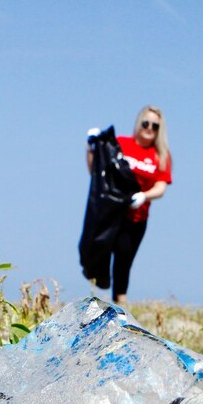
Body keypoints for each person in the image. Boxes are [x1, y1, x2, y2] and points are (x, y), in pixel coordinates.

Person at [85, 105, 172, 304]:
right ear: (139, 123)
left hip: (137, 218)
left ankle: (120, 300)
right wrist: (91, 147)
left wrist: (143, 196)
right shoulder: (121, 144)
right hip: (112, 214)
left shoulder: (161, 156)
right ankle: (102, 297)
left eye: (155, 126)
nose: (149, 128)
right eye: (146, 123)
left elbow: (161, 188)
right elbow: (96, 173)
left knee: (124, 257)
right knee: (102, 254)